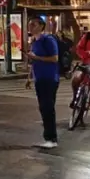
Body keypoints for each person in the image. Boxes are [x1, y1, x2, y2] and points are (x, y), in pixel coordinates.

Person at [26, 17, 61, 149]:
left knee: (48, 108)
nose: (30, 27)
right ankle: (48, 137)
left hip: (49, 78)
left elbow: (54, 58)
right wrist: (29, 77)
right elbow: (33, 61)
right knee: (43, 108)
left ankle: (51, 138)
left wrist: (37, 57)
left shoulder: (48, 39)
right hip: (39, 78)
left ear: (41, 26)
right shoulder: (35, 41)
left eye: (33, 24)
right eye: (29, 25)